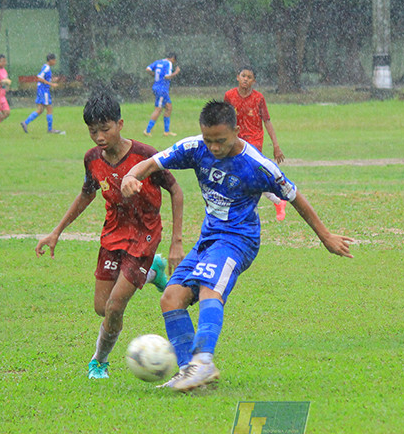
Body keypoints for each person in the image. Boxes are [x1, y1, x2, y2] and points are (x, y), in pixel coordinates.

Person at [121, 100, 354, 392]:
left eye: (221, 141)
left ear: (237, 131)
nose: (214, 147)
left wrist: (326, 237)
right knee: (170, 298)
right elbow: (153, 162)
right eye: (209, 140)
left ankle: (204, 360)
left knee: (209, 287)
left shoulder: (257, 165)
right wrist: (130, 176)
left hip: (238, 239)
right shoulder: (195, 148)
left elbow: (295, 198)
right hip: (209, 238)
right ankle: (190, 372)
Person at [35, 90, 185, 380]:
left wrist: (176, 241)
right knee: (102, 309)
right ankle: (151, 273)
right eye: (93, 131)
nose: (99, 136)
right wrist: (56, 232)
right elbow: (86, 194)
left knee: (116, 307)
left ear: (120, 124)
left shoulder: (145, 156)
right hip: (113, 233)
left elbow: (176, 191)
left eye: (105, 129)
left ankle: (98, 362)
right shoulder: (92, 159)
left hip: (145, 234)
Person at [224, 66, 288, 221]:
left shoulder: (258, 98)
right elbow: (224, 118)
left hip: (254, 141)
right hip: (236, 140)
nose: (246, 79)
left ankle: (246, 209)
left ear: (254, 81)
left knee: (247, 173)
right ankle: (277, 201)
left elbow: (267, 121)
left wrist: (276, 146)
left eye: (249, 77)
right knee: (244, 175)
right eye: (243, 75)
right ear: (237, 77)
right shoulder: (229, 96)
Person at [21, 54, 64, 135]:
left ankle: (25, 122)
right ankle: (50, 129)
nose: (55, 62)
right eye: (54, 60)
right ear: (50, 60)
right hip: (44, 91)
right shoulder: (47, 68)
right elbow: (39, 78)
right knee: (49, 109)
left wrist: (53, 79)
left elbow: (44, 78)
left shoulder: (46, 67)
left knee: (40, 110)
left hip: (41, 90)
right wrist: (51, 84)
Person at [144, 52, 180, 137]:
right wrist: (176, 72)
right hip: (162, 89)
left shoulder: (158, 62)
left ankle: (166, 131)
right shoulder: (169, 63)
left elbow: (148, 69)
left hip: (158, 87)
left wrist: (156, 76)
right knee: (158, 109)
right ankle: (147, 130)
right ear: (173, 58)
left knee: (169, 107)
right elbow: (167, 76)